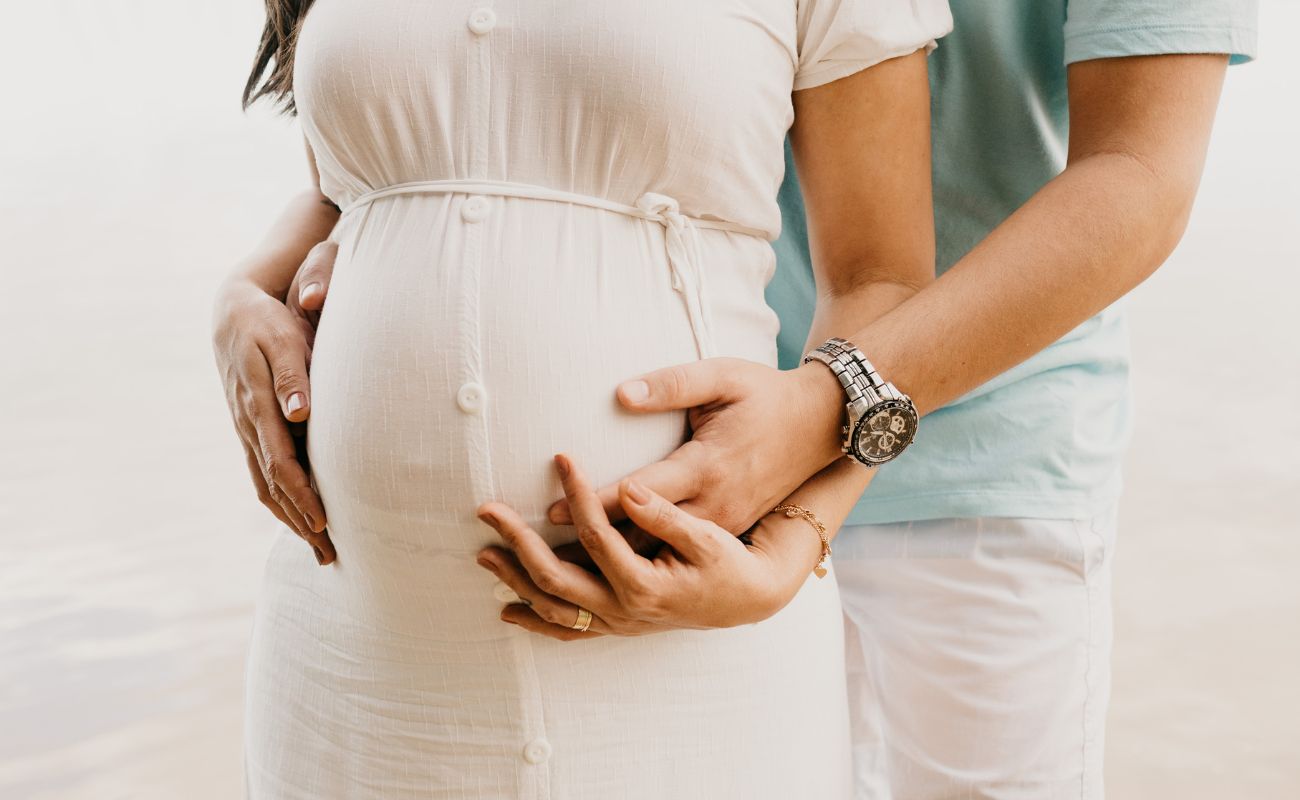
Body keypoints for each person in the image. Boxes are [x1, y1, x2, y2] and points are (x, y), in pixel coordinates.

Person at [230, 2, 1260, 797]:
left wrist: (816, 440)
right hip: (680, 458)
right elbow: (487, 101)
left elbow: (1139, 174)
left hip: (976, 462)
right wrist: (251, 288)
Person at [212, 1, 953, 797]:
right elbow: (357, 182)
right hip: (358, 654)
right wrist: (243, 292)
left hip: (687, 651)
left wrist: (800, 537)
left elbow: (880, 280)